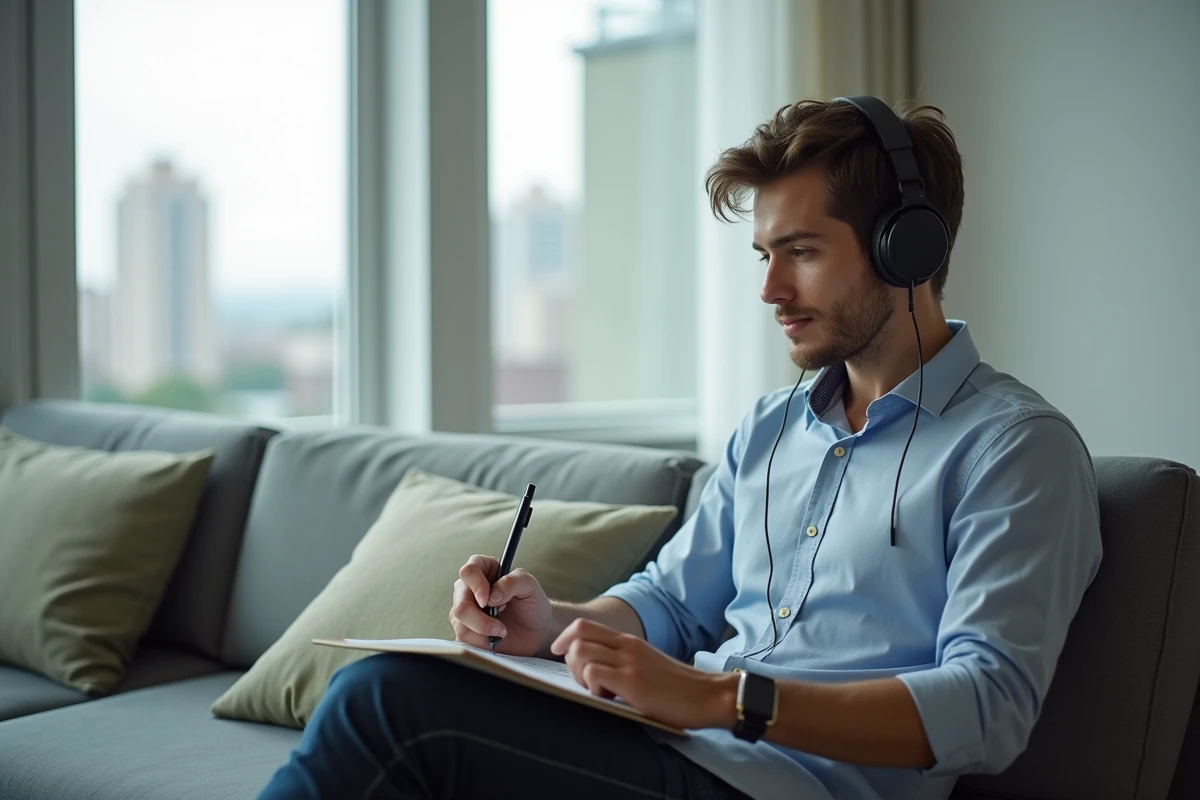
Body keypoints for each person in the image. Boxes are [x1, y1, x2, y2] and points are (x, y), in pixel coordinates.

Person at [257, 97, 1103, 800]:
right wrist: (552, 625)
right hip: (681, 750)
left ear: (905, 248)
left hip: (784, 786)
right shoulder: (772, 430)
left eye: (801, 253)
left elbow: (989, 709)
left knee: (392, 707)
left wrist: (719, 696)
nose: (770, 290)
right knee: (397, 691)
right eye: (765, 255)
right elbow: (670, 603)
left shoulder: (1014, 452)